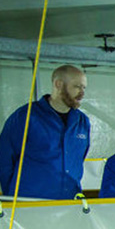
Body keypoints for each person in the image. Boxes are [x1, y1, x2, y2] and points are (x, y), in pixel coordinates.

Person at [0, 63, 90, 199]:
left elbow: (78, 160)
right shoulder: (26, 116)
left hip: (69, 201)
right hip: (31, 203)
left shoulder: (82, 121)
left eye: (84, 87)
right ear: (58, 84)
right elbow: (4, 159)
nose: (82, 93)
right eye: (77, 86)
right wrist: (13, 198)